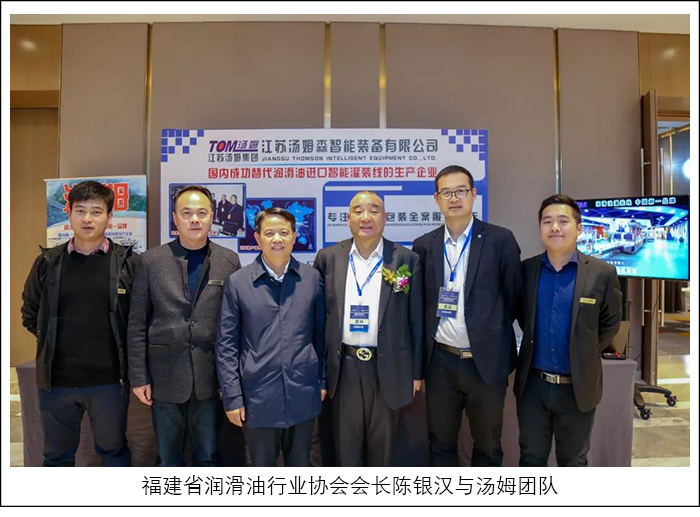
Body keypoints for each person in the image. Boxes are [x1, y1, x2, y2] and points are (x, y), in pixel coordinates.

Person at [21, 180, 139, 467]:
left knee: (113, 451)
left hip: (110, 383)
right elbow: (30, 314)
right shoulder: (48, 262)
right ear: (69, 214)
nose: (88, 219)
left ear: (110, 217)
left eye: (96, 212)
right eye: (80, 211)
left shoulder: (127, 263)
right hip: (57, 383)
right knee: (56, 457)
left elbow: (138, 320)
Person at [412, 165, 522, 467]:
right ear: (437, 199)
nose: (454, 198)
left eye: (460, 191)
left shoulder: (500, 240)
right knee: (440, 444)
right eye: (446, 192)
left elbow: (514, 297)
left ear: (473, 194)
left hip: (486, 363)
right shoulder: (424, 245)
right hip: (441, 362)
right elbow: (420, 306)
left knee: (488, 446)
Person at [127, 185, 241, 466]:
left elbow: (236, 324)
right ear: (175, 218)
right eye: (187, 213)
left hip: (210, 377)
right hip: (164, 376)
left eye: (202, 213)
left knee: (209, 457)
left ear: (212, 217)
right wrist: (139, 377)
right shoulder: (150, 261)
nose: (194, 220)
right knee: (168, 459)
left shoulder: (228, 260)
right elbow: (137, 323)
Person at [313, 191, 423, 467]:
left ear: (385, 218)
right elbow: (318, 320)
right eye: (358, 211)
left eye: (374, 211)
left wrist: (416, 372)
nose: (366, 217)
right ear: (347, 218)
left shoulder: (406, 260)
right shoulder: (328, 258)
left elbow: (416, 320)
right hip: (344, 368)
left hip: (389, 367)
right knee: (346, 451)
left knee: (383, 453)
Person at [515, 194, 622, 466]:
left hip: (577, 388)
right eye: (547, 221)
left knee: (573, 462)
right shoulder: (526, 270)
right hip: (533, 387)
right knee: (530, 459)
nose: (555, 227)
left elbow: (610, 323)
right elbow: (522, 315)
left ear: (579, 228)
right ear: (539, 227)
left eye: (563, 221)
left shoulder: (602, 273)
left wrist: (584, 350)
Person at [216, 208, 325, 467]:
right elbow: (226, 344)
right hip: (258, 397)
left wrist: (322, 381)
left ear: (295, 236)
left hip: (303, 394)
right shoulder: (238, 282)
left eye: (284, 232)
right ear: (257, 238)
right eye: (269, 233)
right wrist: (232, 397)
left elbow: (321, 335)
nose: (277, 239)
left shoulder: (312, 279)